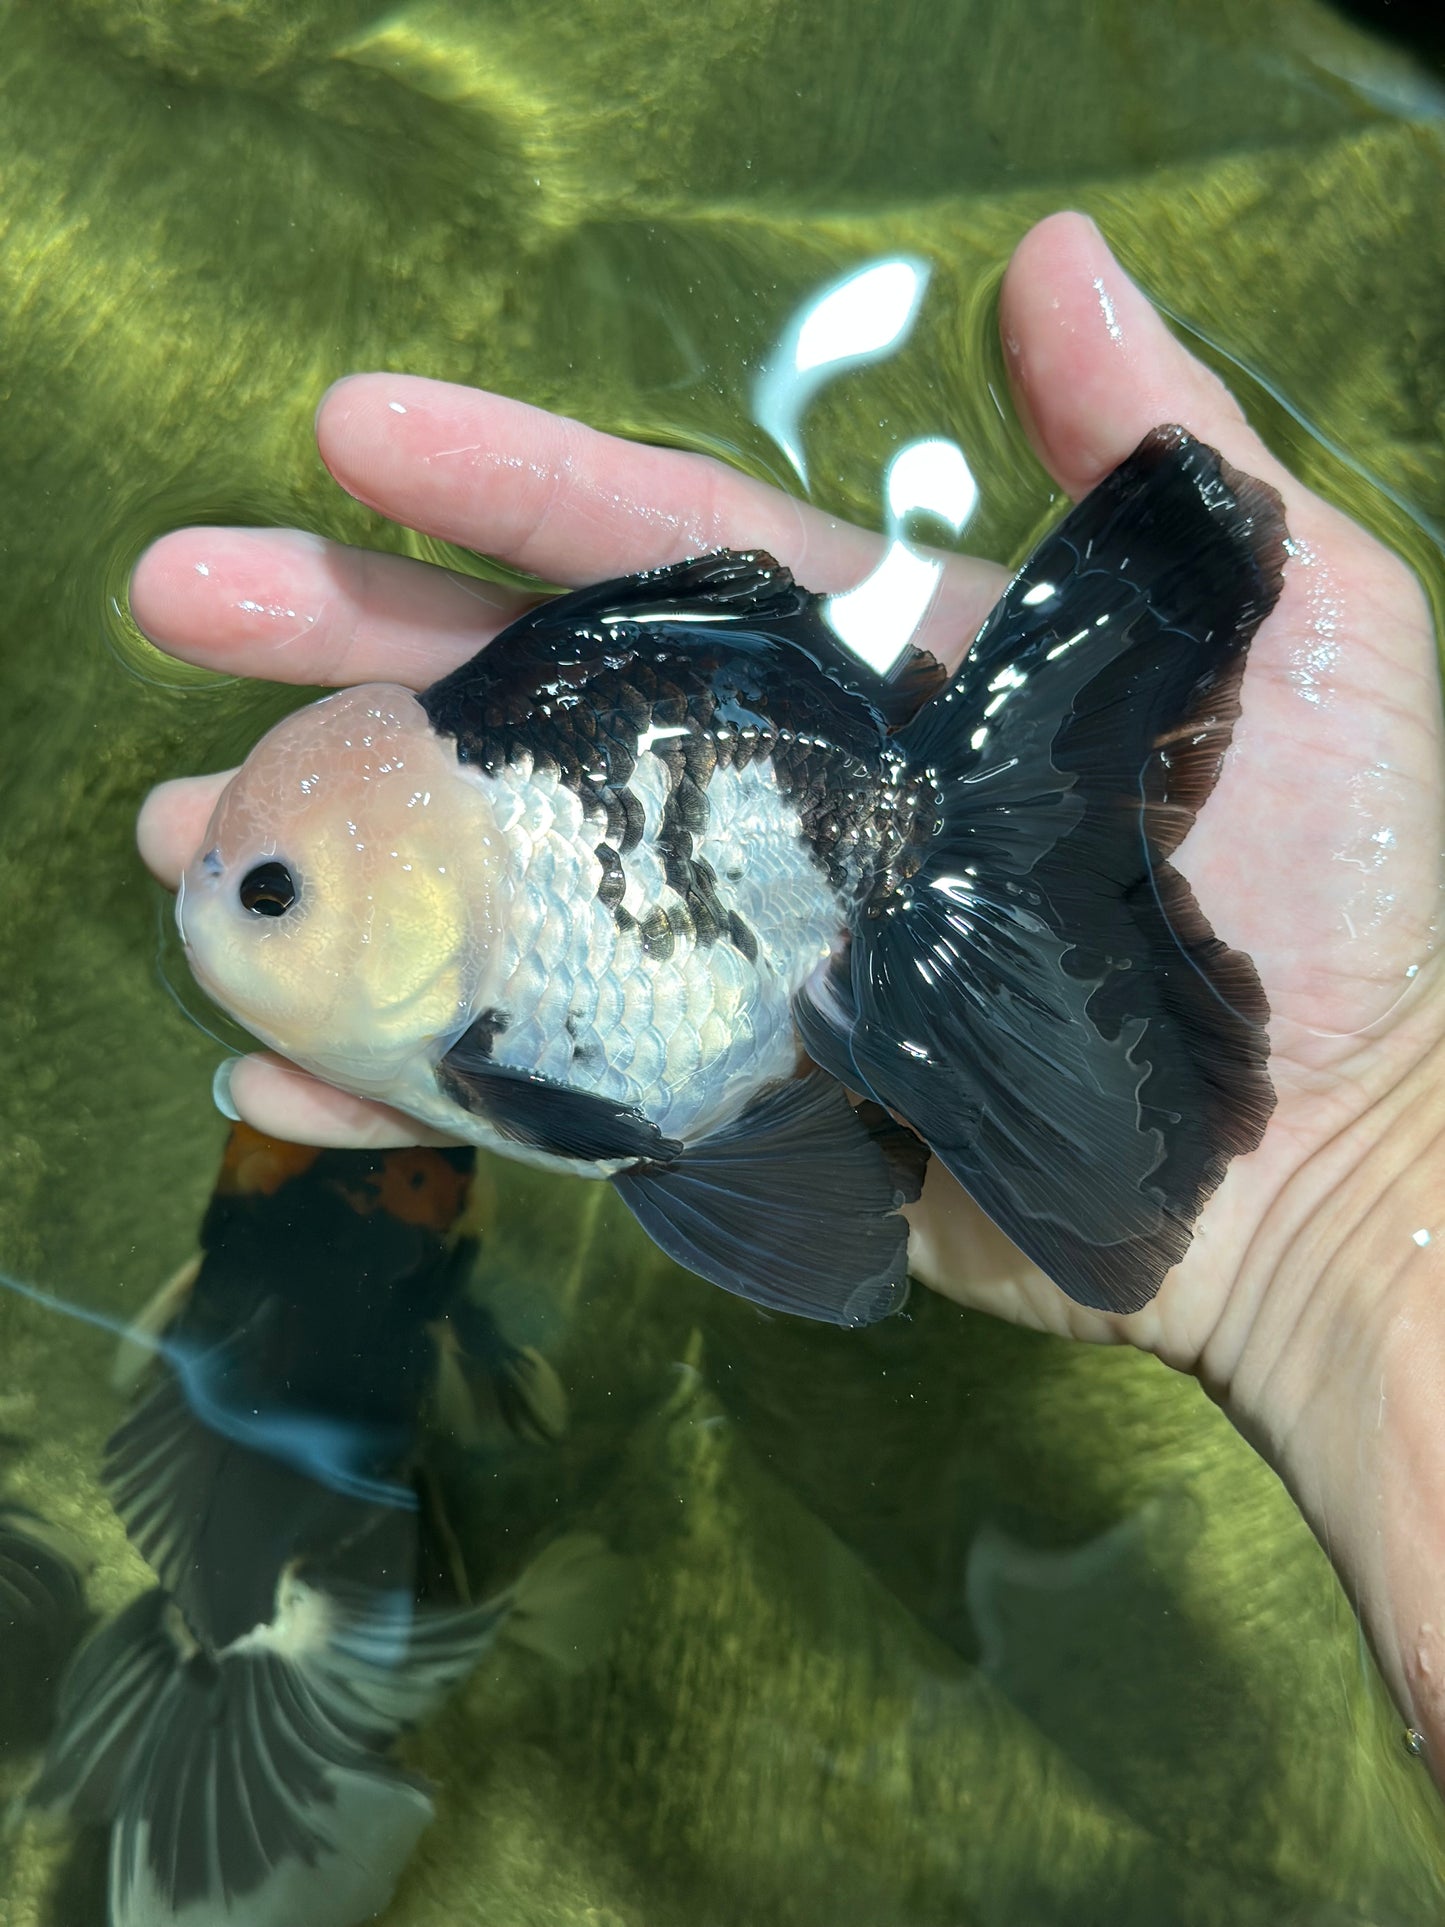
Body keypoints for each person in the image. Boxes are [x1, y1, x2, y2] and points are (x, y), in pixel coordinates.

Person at [134, 212, 1445, 1780]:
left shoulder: (490, 1033)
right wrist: (1361, 1209)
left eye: (268, 889)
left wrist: (1378, 1191)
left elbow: (633, 1135)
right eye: (254, 883)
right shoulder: (459, 978)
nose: (214, 900)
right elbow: (700, 1167)